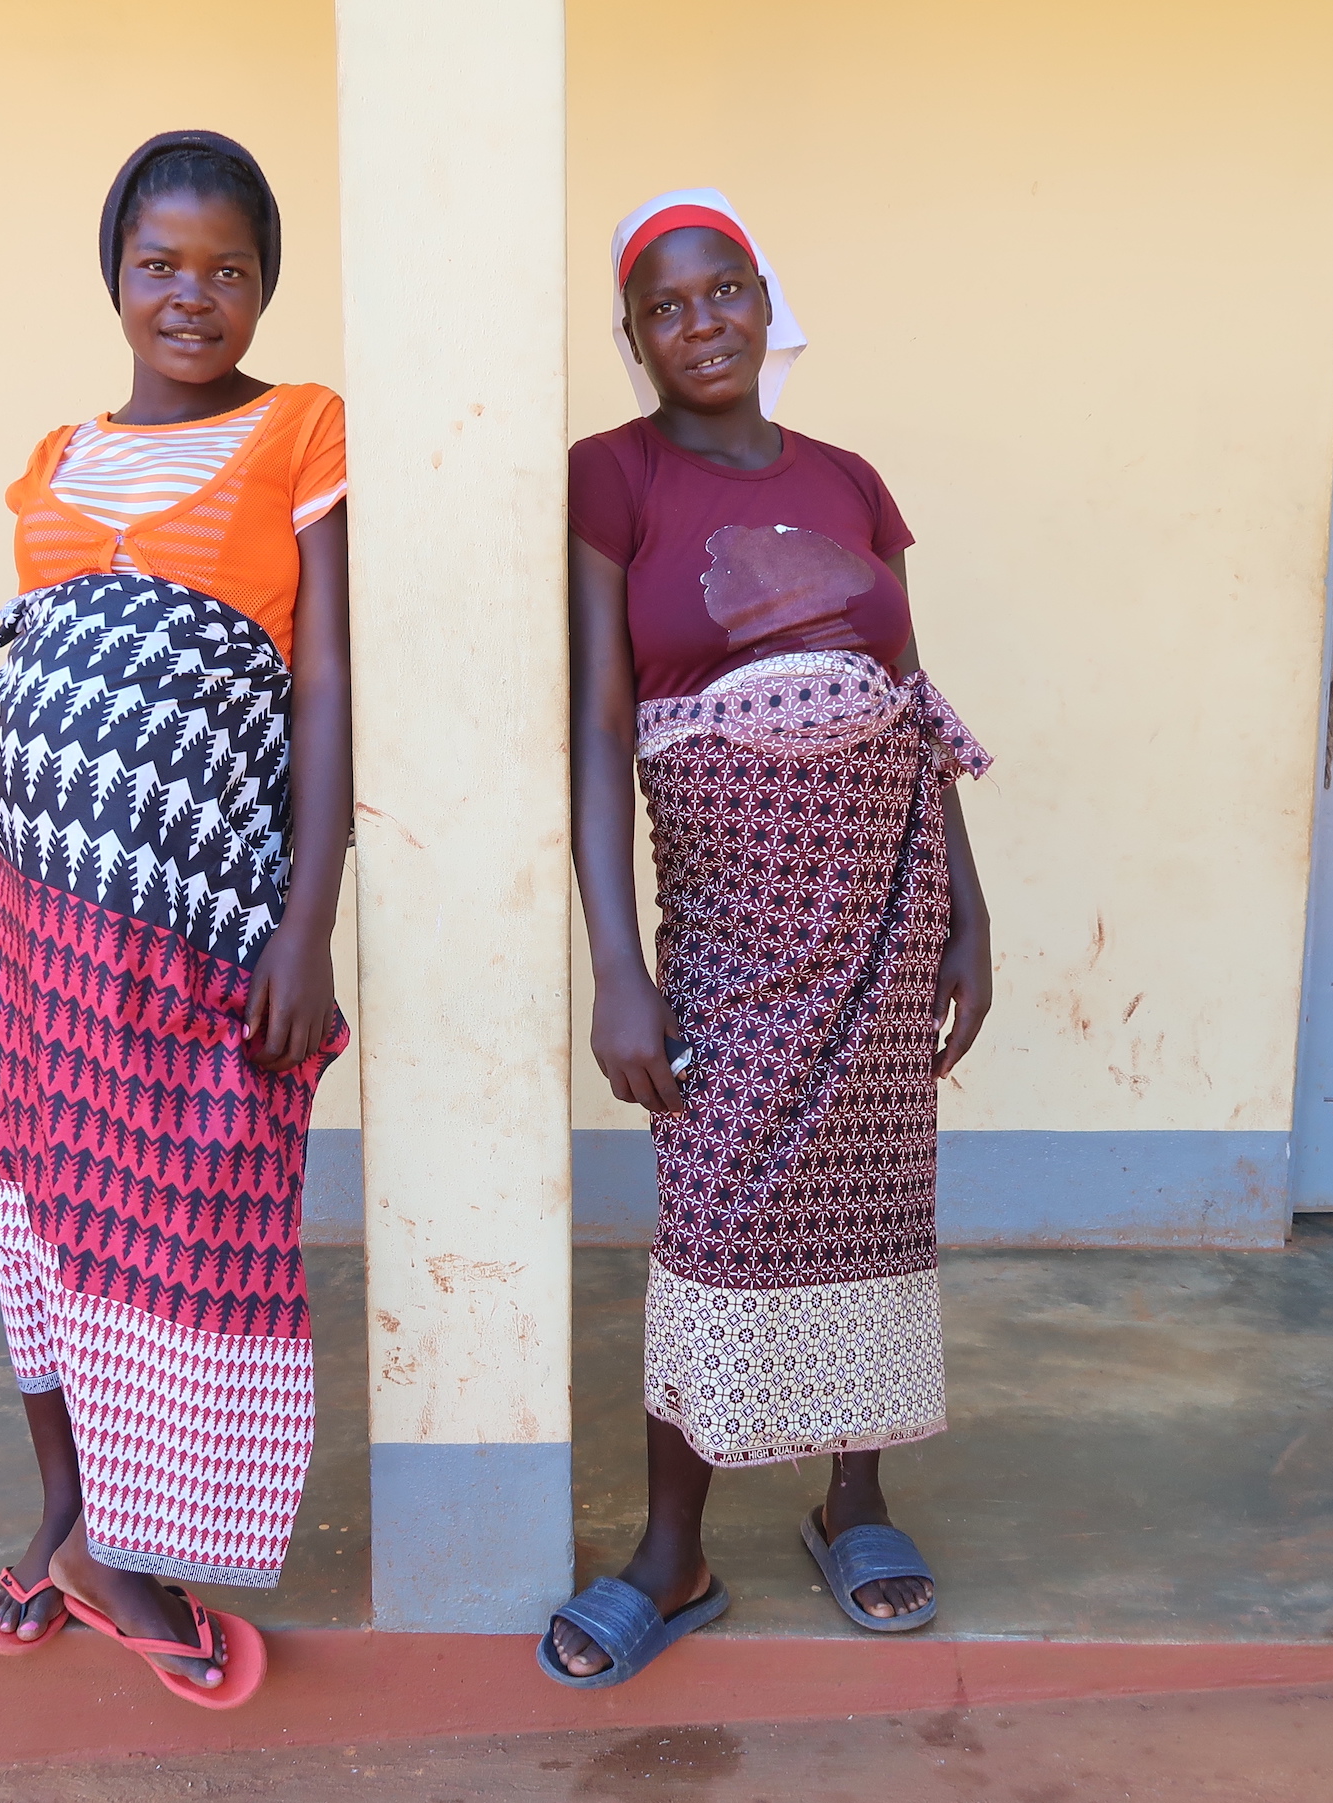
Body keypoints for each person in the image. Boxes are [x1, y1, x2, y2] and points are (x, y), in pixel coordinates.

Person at [542, 189, 993, 1687]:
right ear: (635, 340)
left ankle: (854, 1499)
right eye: (665, 307)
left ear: (761, 297)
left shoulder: (852, 480)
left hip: (885, 905)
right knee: (718, 1213)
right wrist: (617, 963)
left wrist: (967, 911)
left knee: (868, 1207)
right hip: (732, 926)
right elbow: (600, 727)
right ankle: (672, 1553)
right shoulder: (610, 480)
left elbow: (914, 702)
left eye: (722, 291)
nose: (701, 324)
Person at [0, 130, 351, 1709]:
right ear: (115, 274)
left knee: (180, 1224)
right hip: (38, 922)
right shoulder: (52, 458)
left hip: (190, 929)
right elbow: (17, 708)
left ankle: (133, 1542)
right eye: (159, 263)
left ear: (263, 286)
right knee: (42, 1215)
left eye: (225, 269)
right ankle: (68, 1518)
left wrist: (305, 930)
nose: (192, 295)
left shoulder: (301, 430)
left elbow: (323, 683)